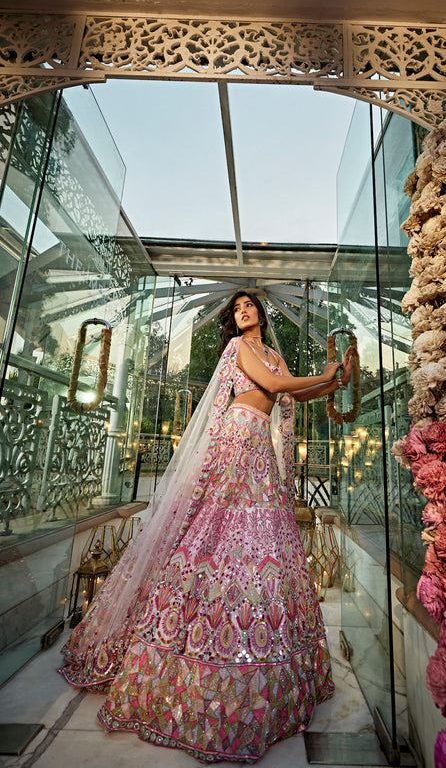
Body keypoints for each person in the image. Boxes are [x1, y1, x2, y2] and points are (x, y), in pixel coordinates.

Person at [60, 290, 352, 763]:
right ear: (233, 323)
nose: (243, 311)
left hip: (261, 443)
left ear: (260, 312)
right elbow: (273, 387)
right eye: (236, 309)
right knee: (218, 529)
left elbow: (295, 388)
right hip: (237, 437)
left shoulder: (274, 353)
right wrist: (322, 375)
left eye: (249, 305)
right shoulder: (238, 350)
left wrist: (330, 384)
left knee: (262, 537)